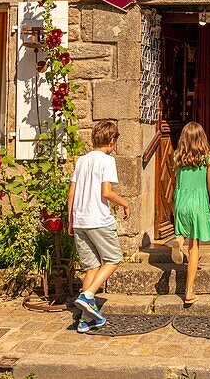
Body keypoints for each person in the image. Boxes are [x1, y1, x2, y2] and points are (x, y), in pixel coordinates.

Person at [67, 120, 130, 333]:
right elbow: (106, 192)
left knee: (92, 267)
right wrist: (125, 202)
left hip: (80, 221)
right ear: (111, 141)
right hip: (98, 220)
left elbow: (71, 193)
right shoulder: (107, 160)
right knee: (113, 259)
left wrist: (70, 220)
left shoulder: (81, 161)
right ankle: (88, 295)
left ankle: (85, 320)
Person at [172, 121, 210, 306]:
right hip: (198, 202)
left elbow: (176, 182)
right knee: (194, 248)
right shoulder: (207, 157)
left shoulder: (177, 156)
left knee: (182, 229)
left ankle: (178, 238)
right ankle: (189, 291)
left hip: (181, 200)